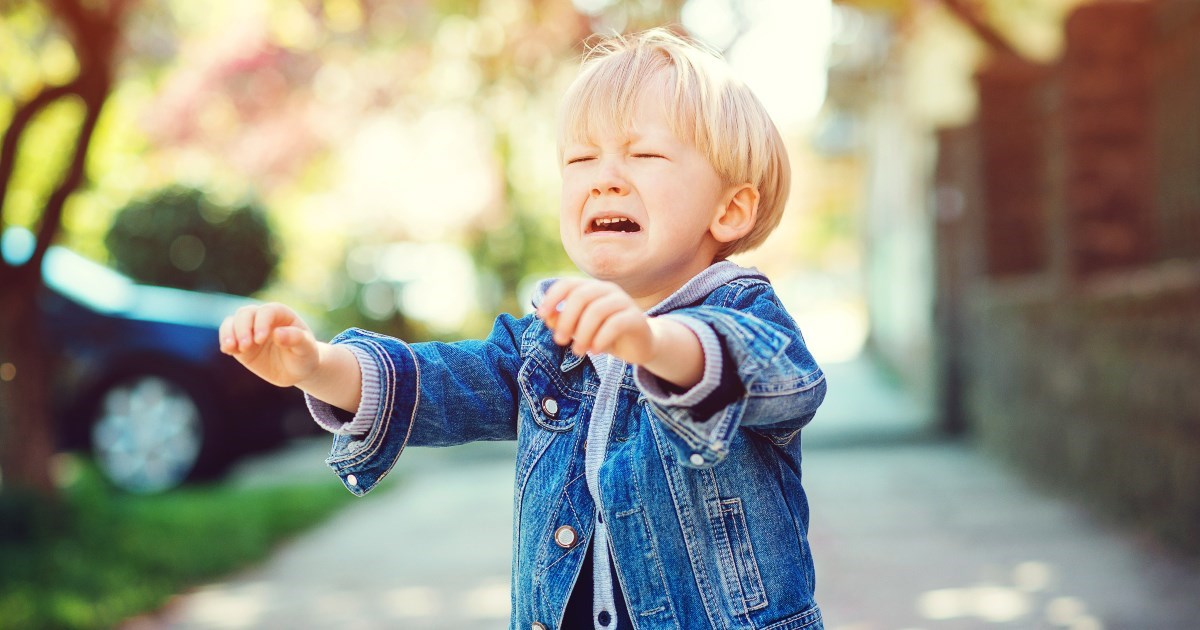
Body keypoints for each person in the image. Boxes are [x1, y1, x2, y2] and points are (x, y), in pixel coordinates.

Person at [220, 28, 827, 630]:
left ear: (729, 210)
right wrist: (317, 365)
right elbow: (442, 384)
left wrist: (653, 343)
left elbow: (776, 375)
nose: (604, 178)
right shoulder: (548, 341)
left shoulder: (746, 313)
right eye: (581, 159)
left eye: (643, 155)